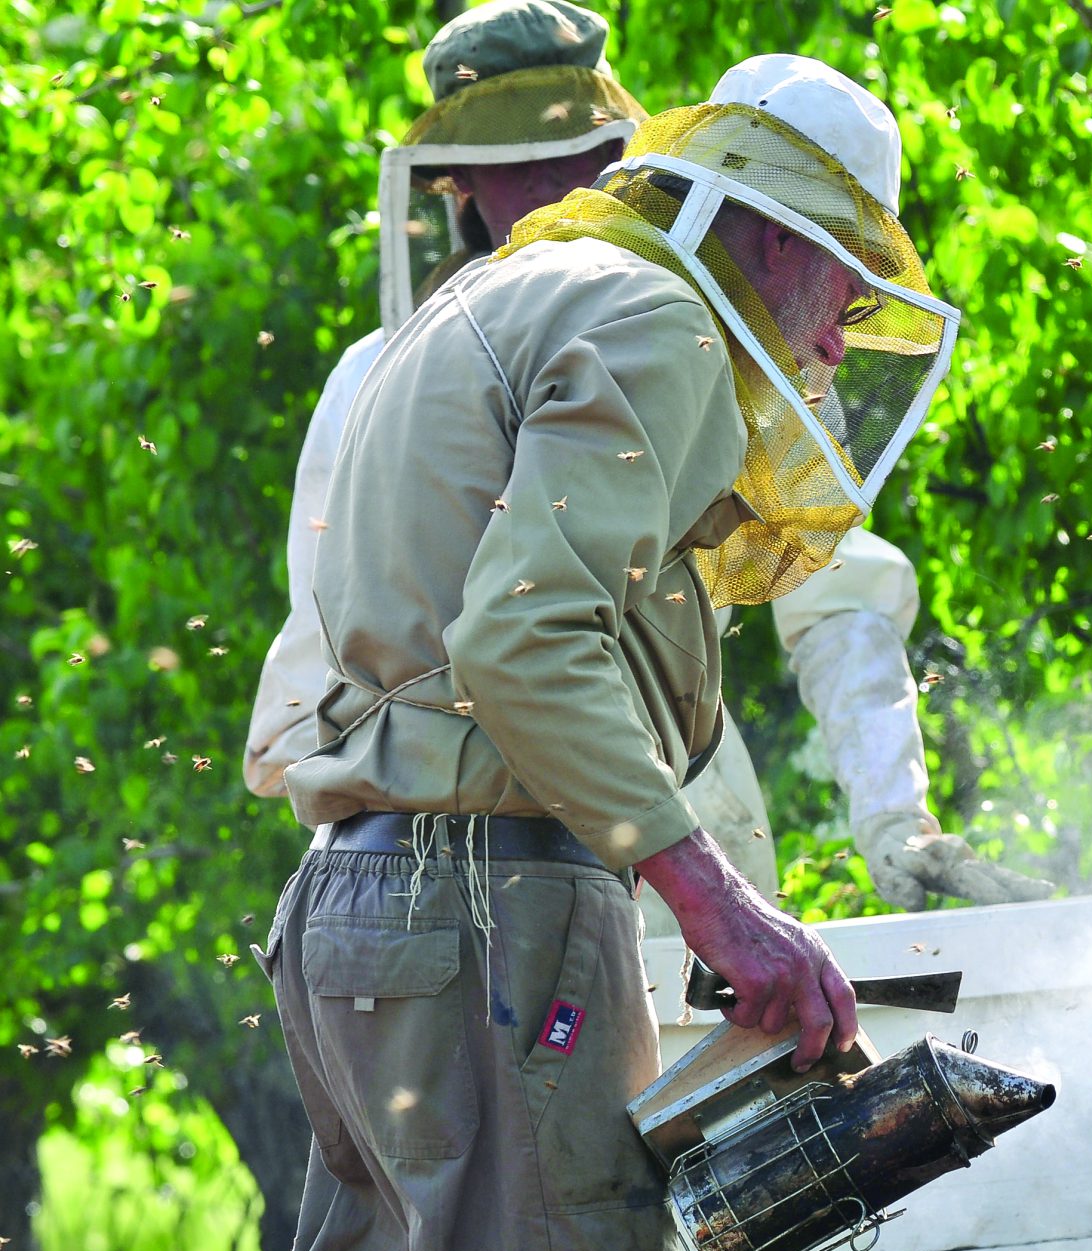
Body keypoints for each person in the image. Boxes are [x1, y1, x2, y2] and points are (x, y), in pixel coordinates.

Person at [254, 41, 965, 1251]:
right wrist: (718, 903)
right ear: (784, 238)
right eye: (845, 299)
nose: (839, 348)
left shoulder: (512, 292)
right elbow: (524, 638)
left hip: (356, 906)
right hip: (490, 903)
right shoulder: (663, 321)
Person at [245, 0, 1044, 931]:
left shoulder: (701, 344)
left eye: (577, 162)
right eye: (514, 169)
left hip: (676, 852)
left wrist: (895, 812)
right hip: (474, 870)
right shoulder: (383, 374)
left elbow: (838, 592)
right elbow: (345, 661)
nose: (551, 192)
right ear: (457, 183)